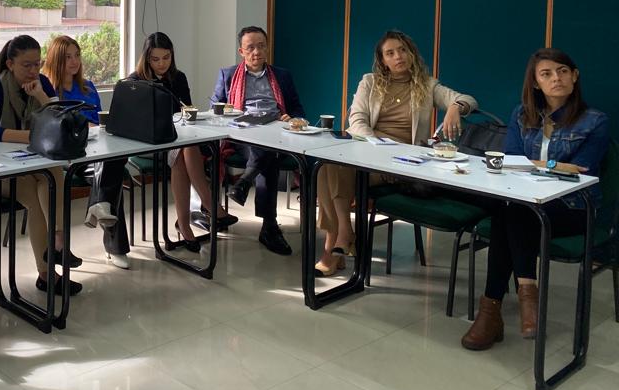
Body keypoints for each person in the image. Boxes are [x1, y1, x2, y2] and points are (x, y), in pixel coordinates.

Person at [462, 48, 608, 350]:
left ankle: (494, 311)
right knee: (512, 212)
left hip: (573, 207)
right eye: (546, 74)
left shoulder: (595, 121)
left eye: (563, 71)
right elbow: (512, 159)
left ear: (575, 76)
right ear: (536, 83)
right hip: (526, 202)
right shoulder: (521, 114)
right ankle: (524, 297)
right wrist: (554, 166)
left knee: (511, 214)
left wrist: (539, 165)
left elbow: (582, 170)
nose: (556, 78)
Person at [323, 30, 477, 275]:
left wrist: (455, 107)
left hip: (401, 163)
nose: (398, 56)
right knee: (325, 165)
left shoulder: (428, 85)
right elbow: (357, 119)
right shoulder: (369, 82)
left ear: (412, 53)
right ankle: (343, 233)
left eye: (403, 50)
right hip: (368, 150)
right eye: (390, 53)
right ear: (383, 60)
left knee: (331, 171)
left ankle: (335, 246)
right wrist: (375, 149)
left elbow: (467, 99)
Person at [0, 35, 83, 295]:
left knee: (52, 174)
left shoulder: (42, 83)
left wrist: (42, 96)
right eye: (27, 65)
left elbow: (63, 121)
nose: (34, 70)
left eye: (37, 64)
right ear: (10, 64)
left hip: (27, 163)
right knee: (38, 194)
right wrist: (29, 136)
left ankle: (55, 248)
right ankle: (49, 267)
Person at [131, 32, 232, 253]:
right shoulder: (135, 81)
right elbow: (135, 121)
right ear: (146, 58)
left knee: (183, 150)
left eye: (166, 58)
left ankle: (185, 225)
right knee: (183, 149)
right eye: (155, 59)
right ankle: (209, 205)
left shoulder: (178, 78)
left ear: (172, 55)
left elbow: (186, 110)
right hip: (147, 143)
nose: (161, 64)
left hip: (176, 139)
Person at [213, 26, 305, 255]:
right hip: (242, 136)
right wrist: (229, 113)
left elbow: (297, 109)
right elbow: (214, 109)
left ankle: (244, 183)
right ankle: (269, 226)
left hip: (277, 133)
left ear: (267, 47)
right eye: (251, 47)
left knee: (267, 149)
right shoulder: (227, 75)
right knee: (266, 153)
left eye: (261, 46)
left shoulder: (282, 76)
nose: (257, 52)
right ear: (241, 51)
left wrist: (292, 118)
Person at [42, 36, 131, 269]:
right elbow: (54, 127)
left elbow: (100, 122)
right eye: (68, 57)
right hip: (69, 155)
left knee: (112, 163)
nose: (74, 61)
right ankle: (115, 246)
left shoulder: (88, 87)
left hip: (96, 150)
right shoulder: (49, 90)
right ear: (56, 60)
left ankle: (100, 205)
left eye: (77, 55)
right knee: (112, 174)